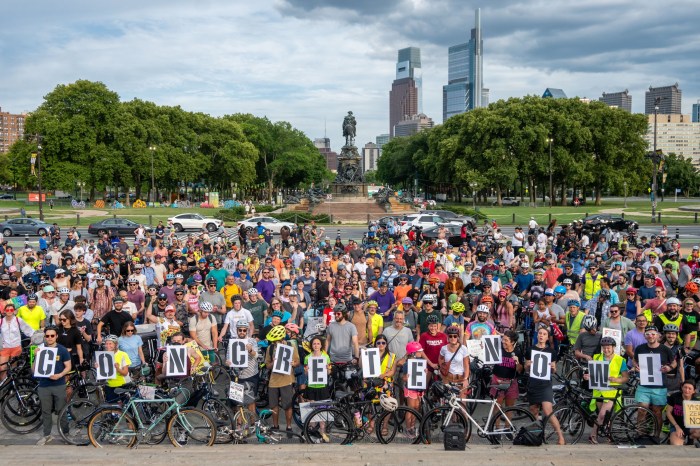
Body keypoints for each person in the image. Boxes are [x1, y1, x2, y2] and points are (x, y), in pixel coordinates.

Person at [582, 336, 629, 444]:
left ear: (613, 348)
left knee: (602, 414)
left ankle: (593, 434)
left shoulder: (620, 360)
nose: (606, 350)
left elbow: (626, 378)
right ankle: (608, 434)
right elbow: (593, 374)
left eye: (608, 347)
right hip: (599, 390)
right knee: (602, 415)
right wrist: (588, 377)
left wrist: (616, 379)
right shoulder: (597, 357)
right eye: (604, 348)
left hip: (612, 390)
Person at [633, 326, 676, 437]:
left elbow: (674, 362)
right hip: (644, 385)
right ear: (644, 336)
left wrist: (669, 368)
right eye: (648, 334)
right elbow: (634, 360)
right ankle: (640, 433)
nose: (650, 336)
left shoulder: (665, 349)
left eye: (653, 334)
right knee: (642, 410)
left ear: (658, 335)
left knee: (657, 412)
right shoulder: (640, 348)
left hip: (659, 386)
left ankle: (656, 436)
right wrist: (636, 366)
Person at [525, 326, 565, 445]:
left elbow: (553, 369)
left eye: (544, 334)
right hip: (533, 382)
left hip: (545, 384)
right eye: (540, 333)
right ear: (537, 335)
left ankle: (560, 436)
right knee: (533, 410)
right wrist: (528, 365)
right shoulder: (530, 350)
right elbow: (526, 369)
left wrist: (553, 368)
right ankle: (538, 435)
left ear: (548, 338)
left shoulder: (551, 352)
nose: (541, 335)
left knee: (548, 411)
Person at [34, 326, 72, 445]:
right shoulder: (40, 349)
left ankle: (65, 434)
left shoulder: (62, 350)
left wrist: (60, 375)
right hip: (44, 385)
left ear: (56, 336)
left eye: (52, 335)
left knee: (62, 410)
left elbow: (68, 367)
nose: (49, 338)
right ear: (44, 337)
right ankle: (47, 435)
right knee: (45, 411)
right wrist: (36, 357)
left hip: (59, 384)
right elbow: (34, 370)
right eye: (47, 336)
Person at [264, 324, 299, 434]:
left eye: (276, 341)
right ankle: (275, 426)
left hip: (287, 379)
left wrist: (293, 363)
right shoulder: (270, 348)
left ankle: (289, 427)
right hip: (273, 381)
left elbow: (297, 362)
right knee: (274, 405)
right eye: (273, 341)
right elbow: (267, 365)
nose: (274, 343)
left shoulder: (291, 346)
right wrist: (273, 363)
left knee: (287, 405)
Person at [225, 320, 259, 416]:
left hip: (250, 375)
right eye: (240, 330)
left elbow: (257, 356)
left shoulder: (252, 341)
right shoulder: (232, 341)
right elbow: (228, 358)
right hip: (237, 376)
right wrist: (228, 363)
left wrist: (250, 350)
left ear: (247, 330)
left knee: (251, 402)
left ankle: (252, 424)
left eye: (244, 330)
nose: (242, 332)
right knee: (237, 402)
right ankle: (239, 426)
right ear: (237, 330)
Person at [303, 335, 332, 443]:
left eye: (318, 343)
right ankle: (311, 432)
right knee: (312, 410)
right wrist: (306, 370)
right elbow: (306, 374)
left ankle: (322, 432)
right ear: (311, 345)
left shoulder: (326, 357)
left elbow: (329, 372)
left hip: (322, 387)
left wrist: (327, 369)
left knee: (322, 410)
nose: (316, 345)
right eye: (314, 343)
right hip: (311, 387)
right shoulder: (307, 358)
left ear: (321, 345)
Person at [490, 329, 523, 409]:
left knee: (509, 407)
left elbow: (520, 370)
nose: (503, 341)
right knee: (497, 407)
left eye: (506, 340)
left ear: (512, 342)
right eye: (502, 339)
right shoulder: (498, 349)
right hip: (497, 380)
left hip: (511, 382)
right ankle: (495, 422)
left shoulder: (517, 352)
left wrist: (517, 362)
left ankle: (508, 422)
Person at [0, 304, 34, 379]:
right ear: (4, 311)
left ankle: (11, 387)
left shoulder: (18, 320)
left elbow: (28, 330)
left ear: (14, 311)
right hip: (4, 347)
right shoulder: (1, 321)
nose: (9, 311)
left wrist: (33, 338)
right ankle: (3, 385)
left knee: (13, 368)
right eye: (7, 310)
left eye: (11, 310)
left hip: (16, 347)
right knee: (2, 368)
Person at [665, 380, 700, 446]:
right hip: (676, 425)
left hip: (691, 427)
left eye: (690, 388)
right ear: (682, 387)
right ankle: (673, 438)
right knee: (677, 445)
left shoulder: (696, 401)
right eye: (685, 387)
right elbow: (668, 412)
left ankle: (690, 437)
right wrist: (677, 426)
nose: (687, 390)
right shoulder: (674, 397)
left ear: (694, 391)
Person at [99, 334, 132, 403]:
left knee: (127, 407)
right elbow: (103, 373)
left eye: (110, 343)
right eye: (106, 344)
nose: (108, 346)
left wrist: (118, 368)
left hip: (122, 384)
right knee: (112, 408)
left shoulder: (123, 354)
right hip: (110, 384)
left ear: (116, 344)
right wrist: (98, 367)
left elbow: (125, 373)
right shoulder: (103, 356)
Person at [439, 326, 470, 393]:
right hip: (447, 378)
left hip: (460, 378)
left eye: (455, 336)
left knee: (462, 401)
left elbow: (466, 365)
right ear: (448, 337)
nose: (453, 338)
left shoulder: (463, 348)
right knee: (447, 400)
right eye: (450, 336)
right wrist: (442, 369)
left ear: (458, 337)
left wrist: (465, 379)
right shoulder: (444, 348)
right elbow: (440, 359)